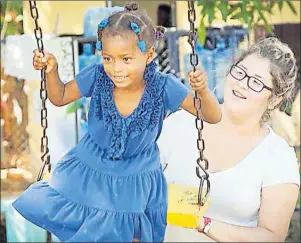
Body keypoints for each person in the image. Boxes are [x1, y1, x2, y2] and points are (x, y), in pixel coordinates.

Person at [12, 2, 221, 242]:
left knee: (127, 231)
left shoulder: (163, 86)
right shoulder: (97, 75)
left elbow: (211, 115)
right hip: (93, 169)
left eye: (126, 59)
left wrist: (203, 92)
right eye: (108, 58)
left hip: (136, 176)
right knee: (91, 229)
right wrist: (52, 71)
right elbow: (59, 97)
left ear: (149, 55)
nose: (115, 68)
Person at [159, 37, 300, 242]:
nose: (242, 84)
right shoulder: (180, 123)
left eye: (256, 82)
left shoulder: (278, 156)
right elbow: (141, 182)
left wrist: (203, 223)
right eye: (240, 72)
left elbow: (271, 236)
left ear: (275, 99)